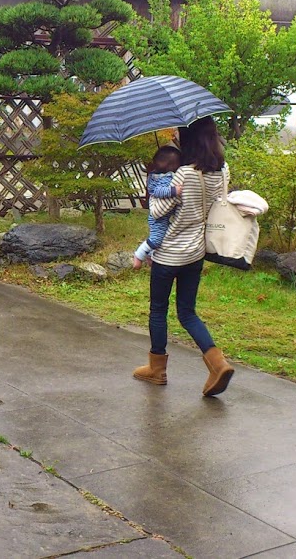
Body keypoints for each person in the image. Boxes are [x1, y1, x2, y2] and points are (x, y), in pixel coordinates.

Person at [131, 117, 235, 396]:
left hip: (169, 254)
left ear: (189, 137)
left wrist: (154, 183)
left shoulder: (184, 174)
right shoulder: (221, 171)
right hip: (195, 253)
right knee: (187, 312)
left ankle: (157, 369)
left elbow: (158, 211)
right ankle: (218, 363)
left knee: (158, 310)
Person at [133, 145, 183, 266]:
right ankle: (139, 256)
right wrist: (173, 191)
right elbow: (157, 191)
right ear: (171, 166)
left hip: (165, 216)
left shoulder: (158, 175)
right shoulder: (161, 179)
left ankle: (151, 256)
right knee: (156, 239)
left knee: (163, 238)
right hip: (158, 218)